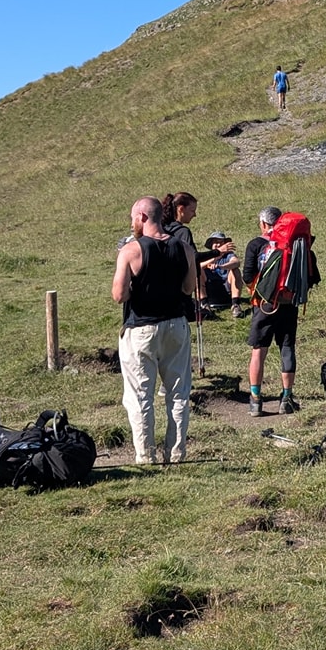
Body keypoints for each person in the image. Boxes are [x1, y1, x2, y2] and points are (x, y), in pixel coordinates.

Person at [110, 196, 198, 465]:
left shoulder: (131, 251)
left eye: (133, 218)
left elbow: (118, 295)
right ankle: (176, 453)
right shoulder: (185, 248)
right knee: (178, 393)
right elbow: (189, 288)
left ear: (143, 217)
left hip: (141, 327)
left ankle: (146, 455)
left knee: (140, 396)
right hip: (176, 324)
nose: (132, 223)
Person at [242, 204, 320, 417]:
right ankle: (286, 398)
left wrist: (260, 290)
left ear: (263, 223)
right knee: (287, 348)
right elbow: (312, 277)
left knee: (259, 350)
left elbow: (247, 276)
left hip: (264, 305)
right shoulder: (298, 245)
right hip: (289, 303)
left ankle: (255, 400)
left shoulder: (256, 245)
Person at [198, 232, 240, 313]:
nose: (219, 244)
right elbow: (197, 266)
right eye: (216, 242)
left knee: (235, 270)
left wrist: (222, 266)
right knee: (197, 272)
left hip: (226, 289)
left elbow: (236, 262)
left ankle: (235, 304)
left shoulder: (229, 255)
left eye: (221, 242)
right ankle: (204, 304)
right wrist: (214, 259)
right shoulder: (206, 256)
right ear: (211, 244)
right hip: (209, 289)